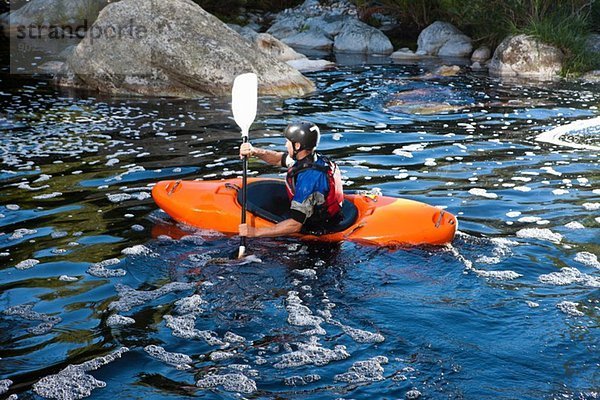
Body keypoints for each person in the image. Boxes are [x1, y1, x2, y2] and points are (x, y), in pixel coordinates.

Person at [238, 121, 344, 238]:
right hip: (327, 216)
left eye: (288, 142)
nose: (285, 145)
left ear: (297, 146)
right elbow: (278, 159)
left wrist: (255, 232)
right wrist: (254, 151)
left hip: (318, 232)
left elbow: (295, 224)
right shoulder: (311, 158)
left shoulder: (309, 181)